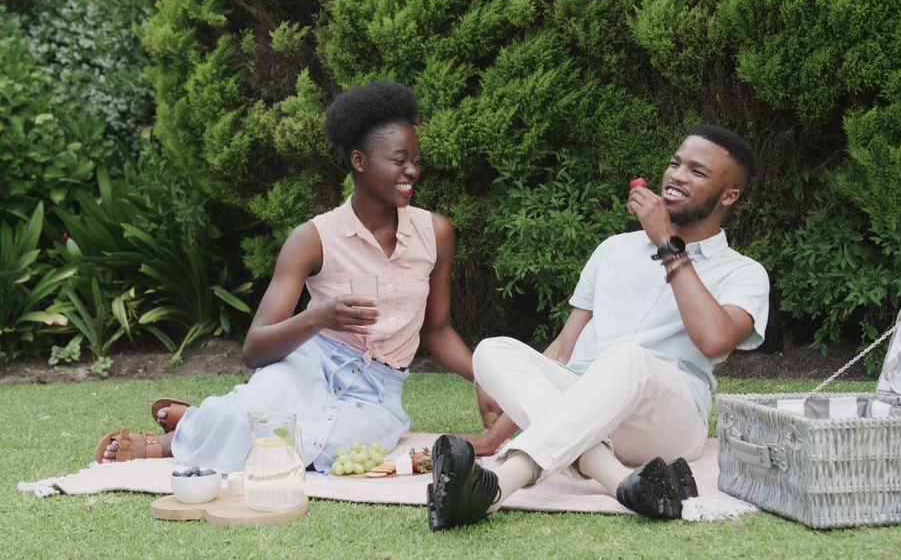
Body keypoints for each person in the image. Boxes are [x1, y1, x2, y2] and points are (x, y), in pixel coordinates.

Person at [94, 81, 496, 473]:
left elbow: (438, 328)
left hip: (378, 389)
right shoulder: (312, 238)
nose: (412, 171)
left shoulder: (435, 233)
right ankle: (176, 439)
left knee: (335, 449)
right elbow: (255, 349)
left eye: (416, 161)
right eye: (398, 160)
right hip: (310, 364)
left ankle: (210, 417)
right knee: (261, 423)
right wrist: (319, 317)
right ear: (359, 161)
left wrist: (484, 376)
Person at [427, 125, 770, 529]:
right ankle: (618, 481)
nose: (677, 175)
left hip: (665, 422)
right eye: (675, 163)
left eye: (697, 171)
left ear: (729, 195)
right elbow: (562, 352)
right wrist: (495, 436)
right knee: (491, 351)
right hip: (589, 409)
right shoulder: (613, 249)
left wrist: (667, 244)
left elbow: (713, 341)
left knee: (626, 358)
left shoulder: (745, 273)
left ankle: (501, 483)